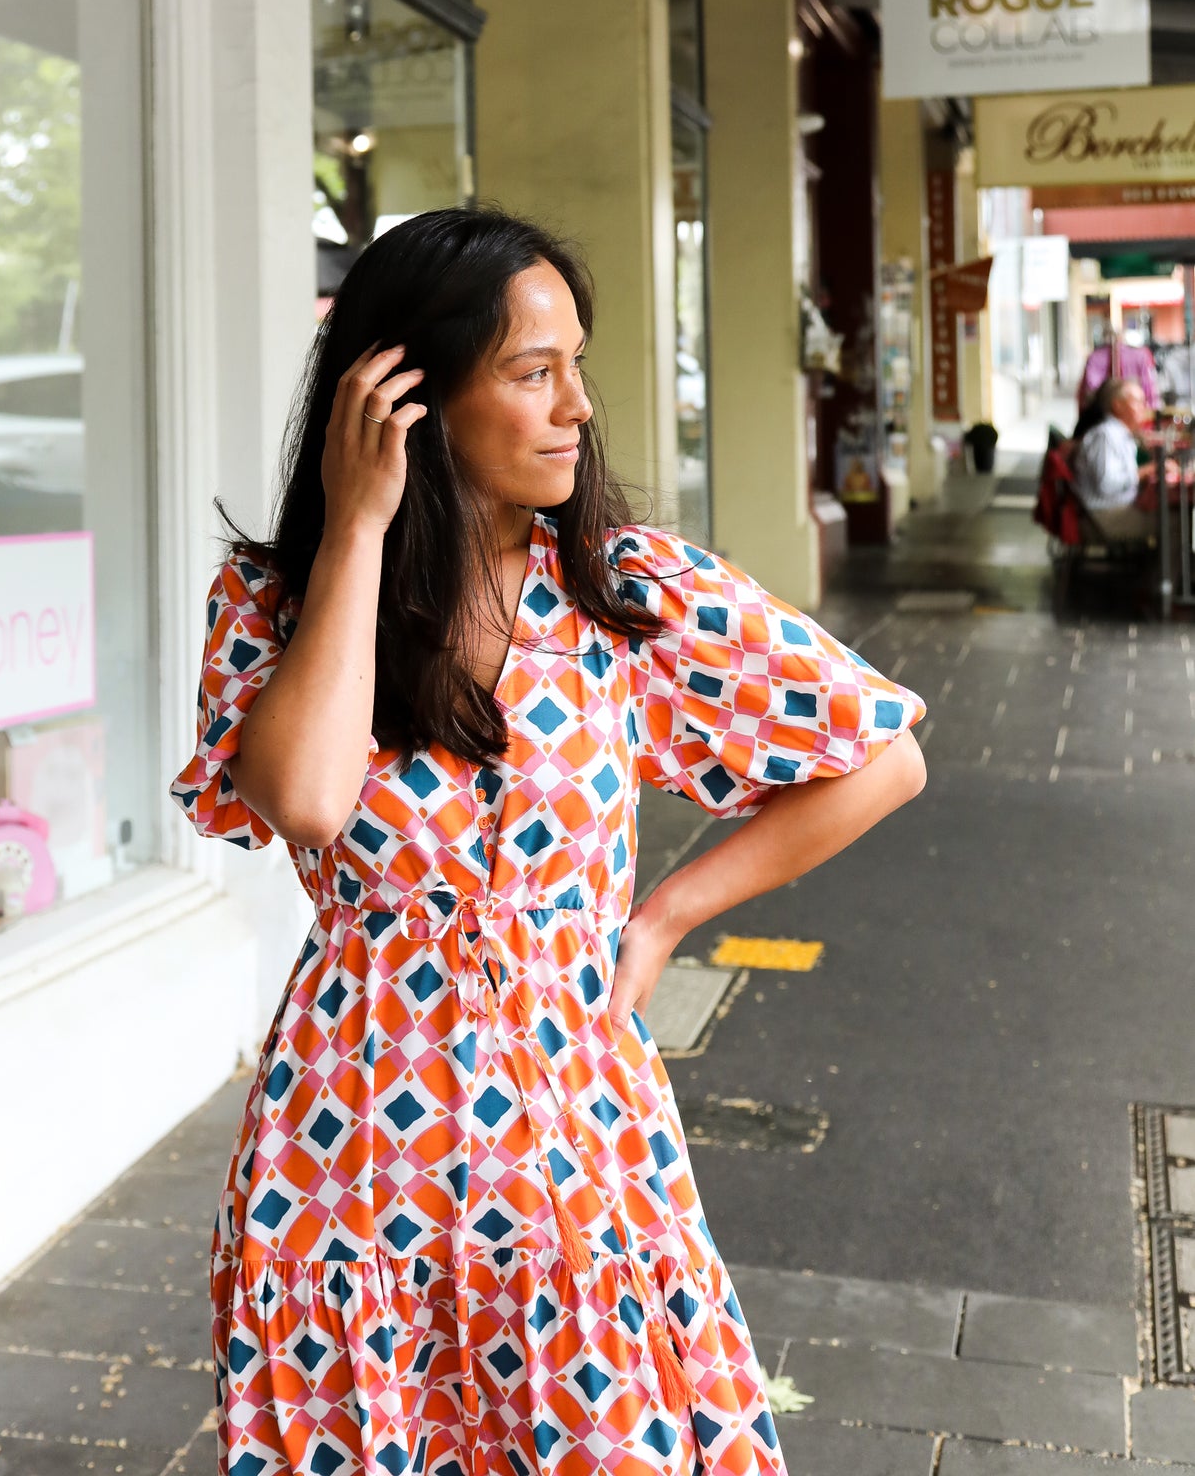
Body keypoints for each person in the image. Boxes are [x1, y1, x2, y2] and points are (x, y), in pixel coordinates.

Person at [173, 208, 927, 1476]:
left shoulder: (628, 595)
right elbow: (302, 802)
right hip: (353, 1148)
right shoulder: (276, 600)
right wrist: (358, 526)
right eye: (533, 371)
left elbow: (880, 756)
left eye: (576, 363)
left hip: (576, 1127)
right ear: (406, 396)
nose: (578, 404)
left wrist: (665, 916)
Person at [1073, 375, 1162, 539]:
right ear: (1118, 405)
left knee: (1173, 512)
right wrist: (1144, 472)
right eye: (1137, 402)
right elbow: (1107, 485)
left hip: (1117, 508)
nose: (1144, 407)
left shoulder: (1119, 434)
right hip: (1105, 516)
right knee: (1177, 522)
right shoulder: (1106, 436)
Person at [1077, 328, 1160, 417]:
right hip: (1130, 413)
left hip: (1102, 412)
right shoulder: (1140, 356)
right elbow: (1149, 389)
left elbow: (1087, 391)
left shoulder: (1094, 357)